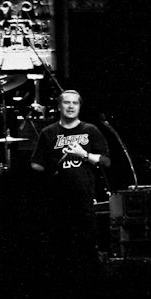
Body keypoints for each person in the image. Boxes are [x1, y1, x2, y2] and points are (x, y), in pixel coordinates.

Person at [30, 90, 111, 277]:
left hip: (84, 197)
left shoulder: (90, 130)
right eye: (67, 102)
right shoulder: (48, 132)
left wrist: (84, 154)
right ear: (59, 106)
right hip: (56, 199)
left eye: (75, 103)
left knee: (86, 244)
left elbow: (106, 161)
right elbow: (36, 164)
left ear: (80, 107)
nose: (71, 106)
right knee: (59, 245)